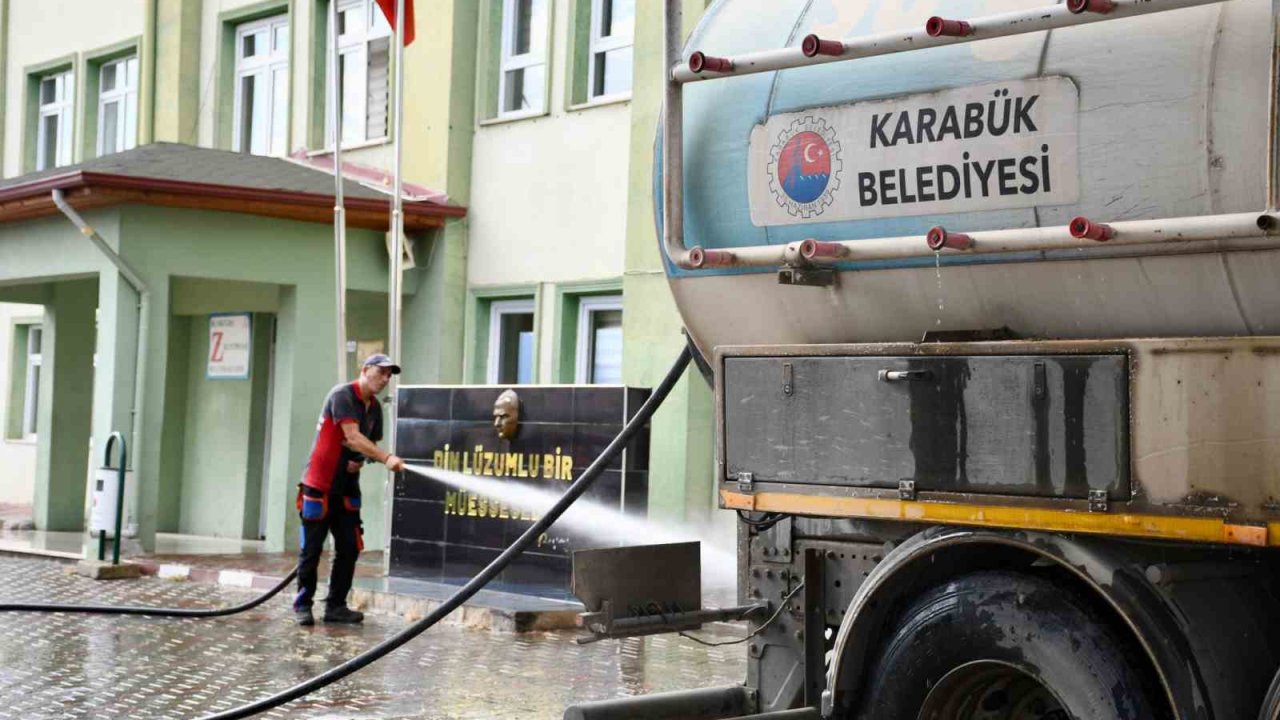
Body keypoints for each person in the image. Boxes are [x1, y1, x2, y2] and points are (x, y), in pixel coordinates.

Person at [294, 353, 407, 626]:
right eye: (381, 372)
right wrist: (386, 458)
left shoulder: (375, 408)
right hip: (319, 485)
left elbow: (365, 445)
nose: (385, 379)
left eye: (389, 375)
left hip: (346, 490)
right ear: (366, 369)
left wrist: (362, 461)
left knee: (349, 547)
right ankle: (303, 605)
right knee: (311, 549)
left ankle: (335, 606)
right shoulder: (342, 395)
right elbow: (353, 437)